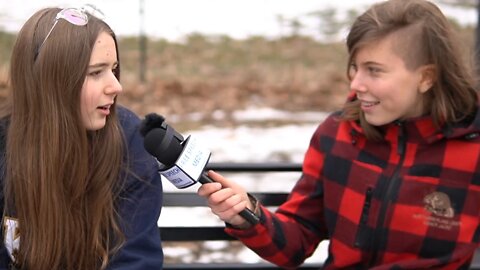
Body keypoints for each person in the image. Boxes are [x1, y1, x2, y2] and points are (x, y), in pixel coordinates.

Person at [197, 0, 480, 268]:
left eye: (374, 71)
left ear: (426, 77)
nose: (356, 84)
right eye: (355, 67)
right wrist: (248, 215)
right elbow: (296, 242)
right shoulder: (338, 134)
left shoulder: (472, 150)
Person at [0, 5, 163, 270]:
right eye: (96, 72)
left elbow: (136, 261)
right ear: (50, 80)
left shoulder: (129, 143)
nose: (116, 86)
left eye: (113, 69)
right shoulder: (4, 145)